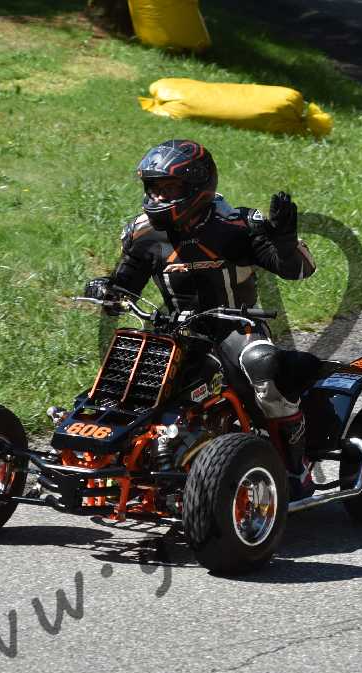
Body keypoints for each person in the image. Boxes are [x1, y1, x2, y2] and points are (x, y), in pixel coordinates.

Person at [84, 139, 320, 498]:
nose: (159, 197)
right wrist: (106, 289)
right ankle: (116, 459)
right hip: (176, 331)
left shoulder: (238, 225)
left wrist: (285, 242)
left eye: (169, 188)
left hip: (236, 328)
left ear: (197, 187)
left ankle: (295, 469)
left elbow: (299, 270)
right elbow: (124, 286)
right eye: (154, 188)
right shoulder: (143, 233)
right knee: (124, 377)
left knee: (262, 366)